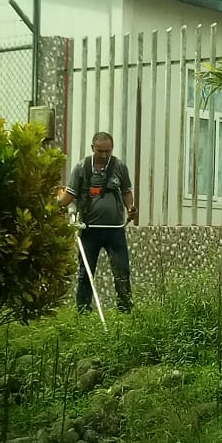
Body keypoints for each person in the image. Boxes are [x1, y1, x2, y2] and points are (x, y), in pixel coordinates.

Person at [59, 131, 136, 313]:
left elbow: (126, 192)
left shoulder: (119, 167)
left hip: (115, 230)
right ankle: (83, 310)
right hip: (89, 230)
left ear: (112, 149)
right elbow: (71, 194)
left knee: (122, 271)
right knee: (86, 272)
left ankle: (125, 309)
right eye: (100, 151)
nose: (104, 155)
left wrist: (130, 208)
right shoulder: (82, 167)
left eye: (107, 151)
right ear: (93, 148)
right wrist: (58, 206)